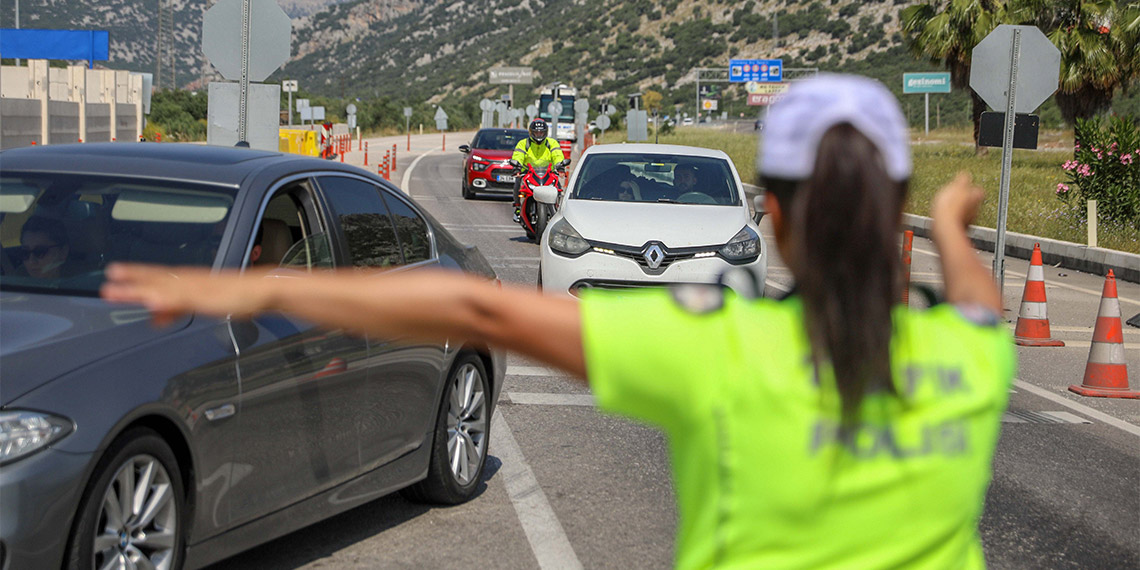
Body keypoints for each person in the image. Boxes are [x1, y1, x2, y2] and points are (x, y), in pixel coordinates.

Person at [101, 74, 1012, 569]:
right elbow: (977, 297)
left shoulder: (721, 352)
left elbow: (468, 304)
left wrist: (264, 290)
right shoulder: (969, 359)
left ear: (768, 212)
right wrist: (954, 229)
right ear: (892, 208)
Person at [510, 119, 566, 223]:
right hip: (528, 173)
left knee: (558, 188)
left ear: (546, 132)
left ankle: (559, 209)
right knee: (518, 185)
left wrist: (560, 167)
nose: (539, 135)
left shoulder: (552, 143)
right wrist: (517, 167)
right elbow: (518, 155)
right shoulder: (523, 143)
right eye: (536, 132)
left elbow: (557, 155)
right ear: (531, 132)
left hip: (548, 173)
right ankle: (518, 208)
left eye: (541, 132)